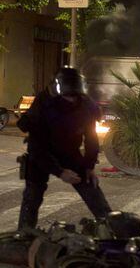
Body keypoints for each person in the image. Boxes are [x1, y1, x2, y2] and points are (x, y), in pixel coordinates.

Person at [17, 67, 112, 230]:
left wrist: (89, 166)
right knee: (32, 197)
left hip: (69, 152)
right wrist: (60, 172)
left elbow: (91, 138)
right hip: (42, 154)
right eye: (68, 96)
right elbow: (36, 147)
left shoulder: (85, 104)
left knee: (93, 191)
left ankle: (113, 231)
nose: (71, 101)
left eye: (75, 96)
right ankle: (24, 236)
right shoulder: (44, 103)